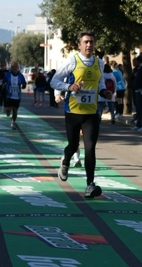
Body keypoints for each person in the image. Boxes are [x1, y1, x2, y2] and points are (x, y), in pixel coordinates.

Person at [50, 31, 112, 198]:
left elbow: (100, 84)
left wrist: (105, 92)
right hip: (73, 112)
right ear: (79, 45)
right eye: (85, 42)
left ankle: (90, 185)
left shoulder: (99, 63)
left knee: (90, 148)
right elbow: (54, 81)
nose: (89, 45)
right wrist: (69, 87)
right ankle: (65, 161)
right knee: (73, 146)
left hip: (91, 113)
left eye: (91, 42)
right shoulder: (72, 61)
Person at [2, 61, 27, 130]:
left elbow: (24, 84)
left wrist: (23, 86)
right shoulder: (7, 75)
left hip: (17, 96)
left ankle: (13, 122)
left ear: (18, 67)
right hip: (9, 95)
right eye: (13, 67)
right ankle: (7, 111)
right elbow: (3, 82)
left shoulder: (20, 76)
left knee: (15, 111)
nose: (14, 68)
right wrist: (3, 86)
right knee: (8, 109)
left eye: (16, 67)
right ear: (11, 67)